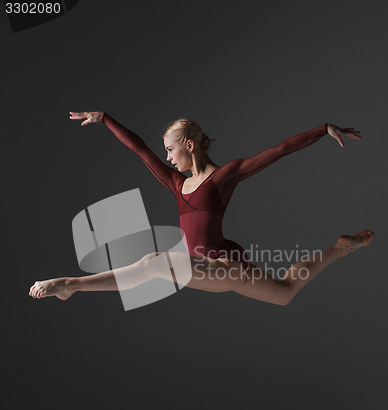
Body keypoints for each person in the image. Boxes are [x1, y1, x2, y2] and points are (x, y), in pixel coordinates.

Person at [29, 112, 374, 306]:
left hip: (222, 266)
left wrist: (321, 129)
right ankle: (340, 248)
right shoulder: (175, 182)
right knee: (284, 293)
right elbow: (140, 150)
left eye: (171, 150)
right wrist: (105, 119)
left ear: (189, 146)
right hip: (207, 267)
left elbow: (279, 149)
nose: (166, 157)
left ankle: (70, 283)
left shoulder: (224, 176)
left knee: (153, 263)